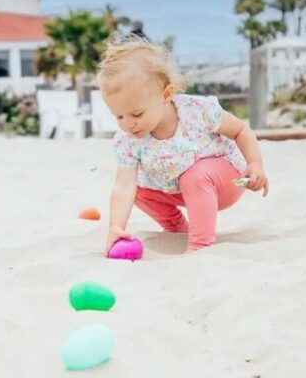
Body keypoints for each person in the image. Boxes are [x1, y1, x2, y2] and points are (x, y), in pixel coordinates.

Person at [98, 35, 269, 254]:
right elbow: (123, 186)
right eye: (118, 116)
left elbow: (240, 130)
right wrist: (116, 227)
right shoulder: (130, 140)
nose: (128, 124)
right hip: (179, 187)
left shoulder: (196, 111)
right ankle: (177, 228)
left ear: (166, 94)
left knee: (195, 176)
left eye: (136, 114)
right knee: (137, 188)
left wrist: (255, 163)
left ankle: (200, 245)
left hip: (225, 179)